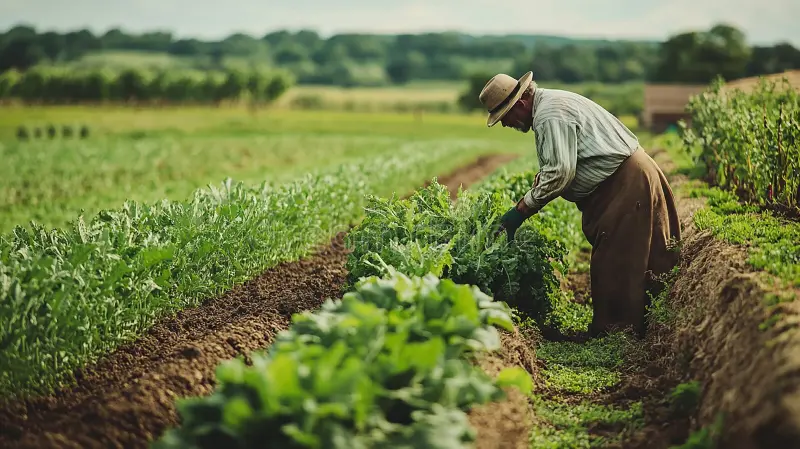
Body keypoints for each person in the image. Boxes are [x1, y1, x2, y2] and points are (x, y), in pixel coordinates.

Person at [479, 71, 681, 338]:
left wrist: (520, 211)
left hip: (626, 183)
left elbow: (561, 173)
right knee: (639, 255)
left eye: (505, 117)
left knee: (616, 261)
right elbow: (564, 163)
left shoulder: (550, 114)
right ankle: (646, 329)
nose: (506, 125)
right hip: (629, 177)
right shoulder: (549, 106)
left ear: (520, 104)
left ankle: (615, 335)